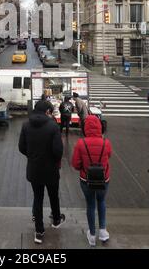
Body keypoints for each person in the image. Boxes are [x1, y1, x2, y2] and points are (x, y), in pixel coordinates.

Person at [19, 100, 65, 245]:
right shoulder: (53, 126)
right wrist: (53, 159)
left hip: (34, 169)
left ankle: (39, 231)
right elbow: (58, 151)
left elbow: (21, 147)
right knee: (53, 195)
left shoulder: (25, 125)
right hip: (51, 169)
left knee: (38, 199)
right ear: (47, 111)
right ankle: (56, 220)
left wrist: (32, 156)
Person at [72, 115, 112, 247]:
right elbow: (109, 156)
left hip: (86, 179)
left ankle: (92, 235)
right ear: (100, 127)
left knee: (90, 205)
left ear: (85, 128)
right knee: (101, 201)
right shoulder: (106, 142)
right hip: (103, 179)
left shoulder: (81, 143)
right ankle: (103, 231)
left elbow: (76, 164)